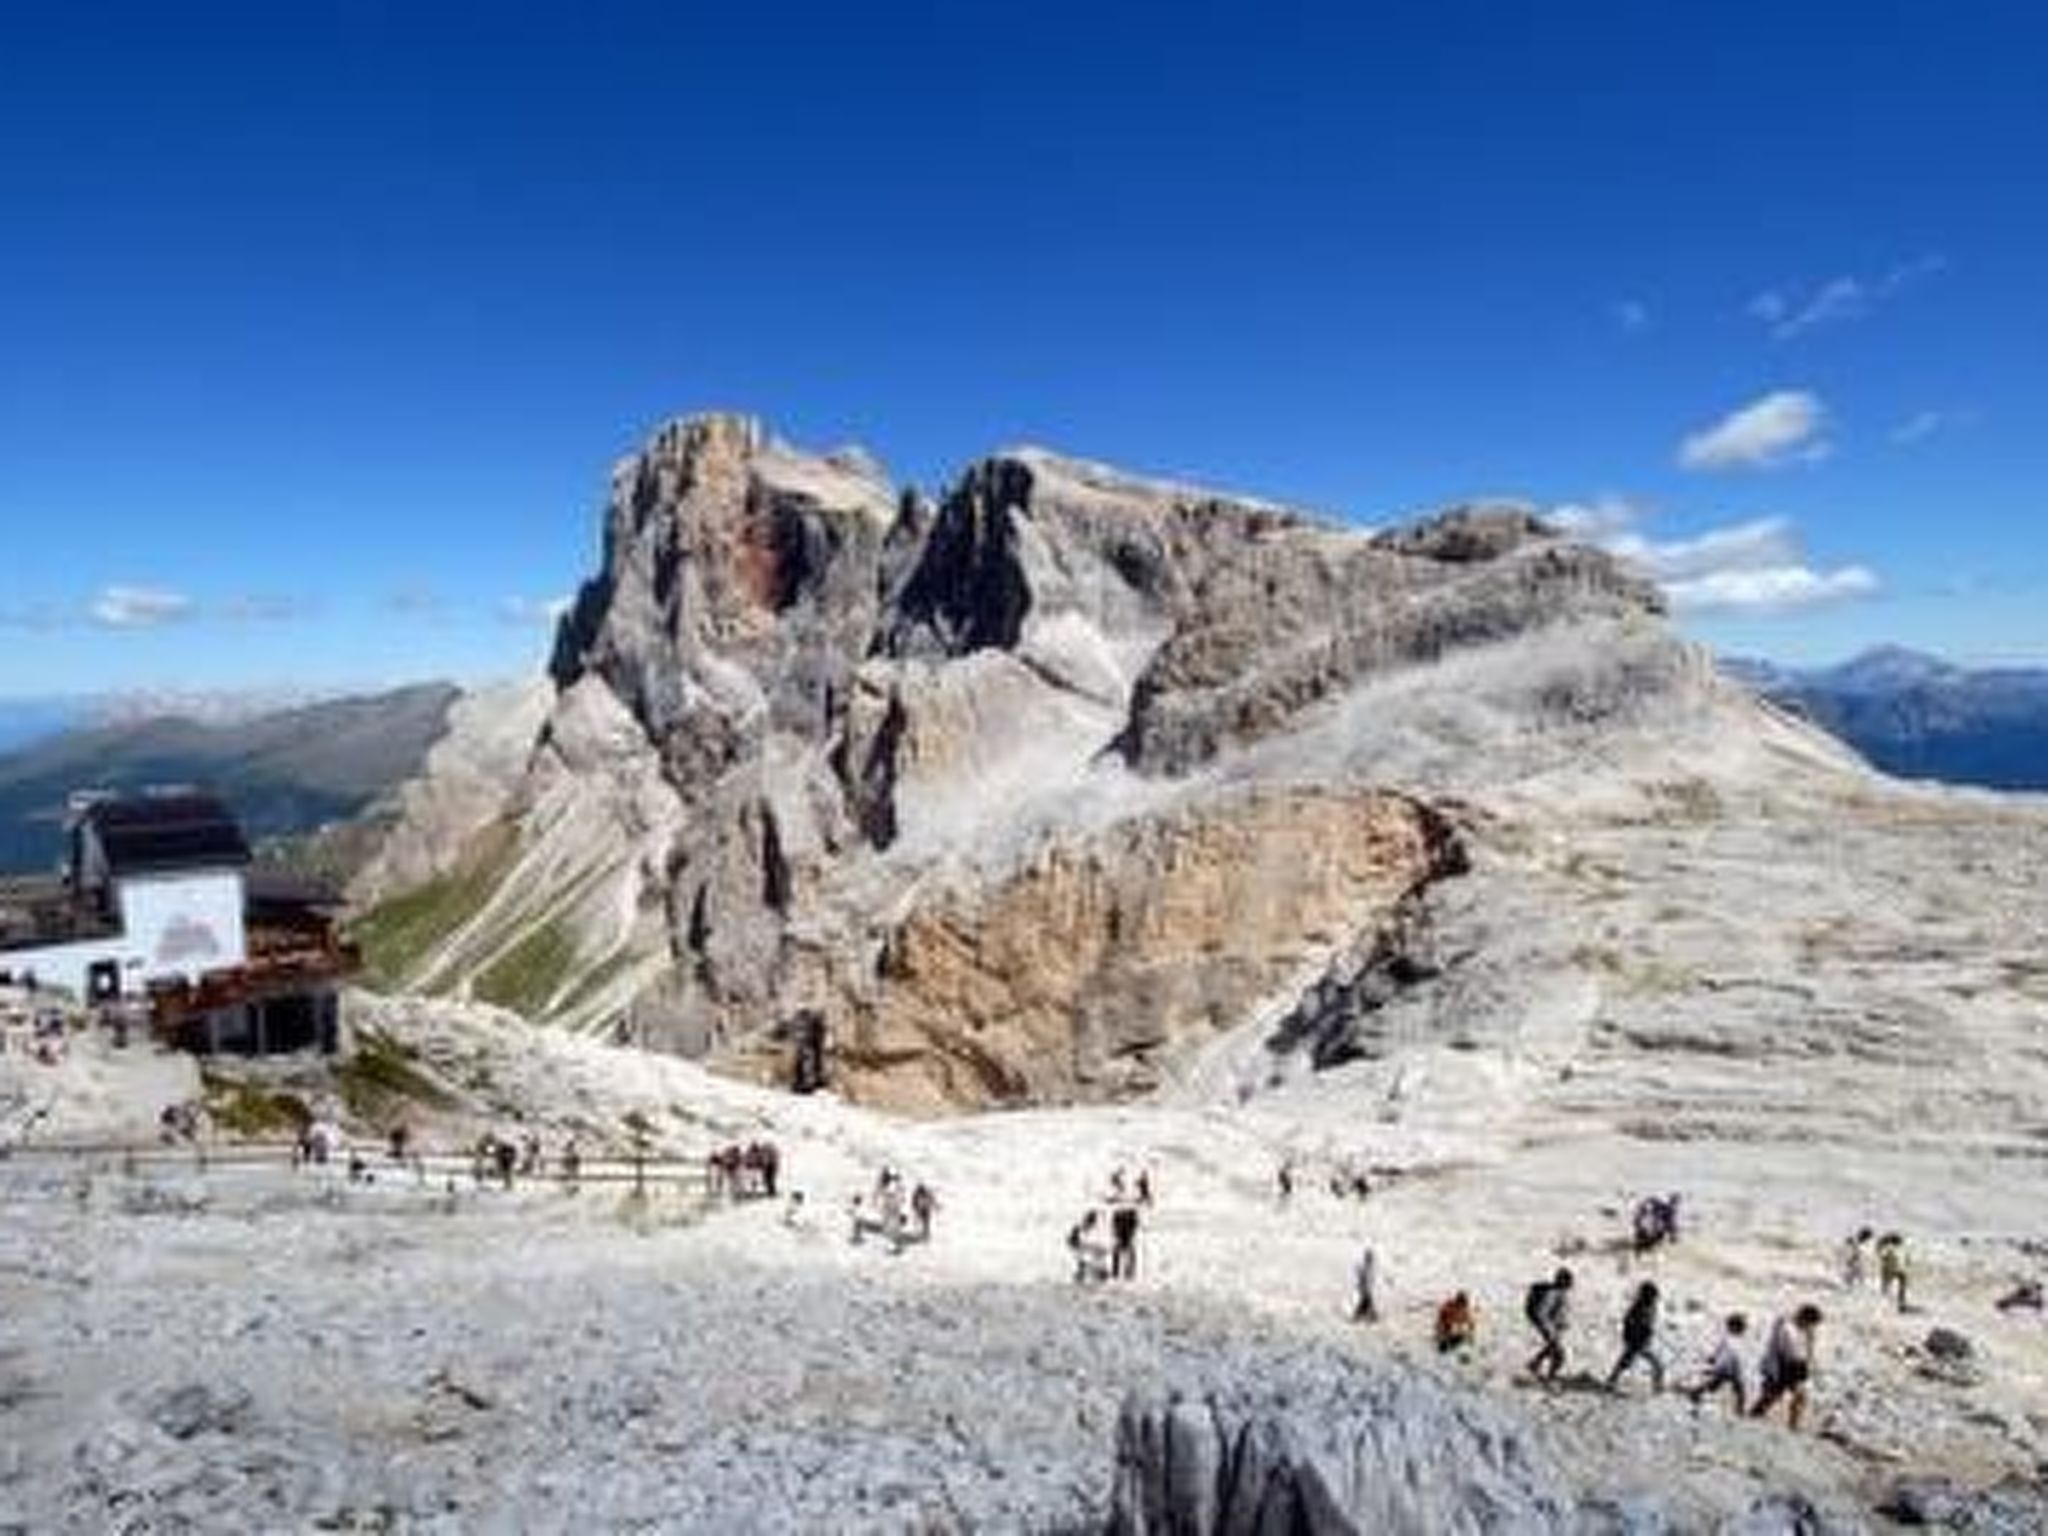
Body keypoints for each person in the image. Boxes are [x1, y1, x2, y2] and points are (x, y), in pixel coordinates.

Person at [1749, 1305, 1823, 1430]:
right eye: (1810, 1324)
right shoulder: (1787, 1328)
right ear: (1805, 1319)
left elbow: (1803, 1352)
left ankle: (1792, 1424)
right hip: (1783, 1366)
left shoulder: (1798, 1329)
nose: (1811, 1328)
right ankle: (1790, 1425)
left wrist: (1809, 1343)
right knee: (1775, 1396)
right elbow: (1788, 1351)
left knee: (1790, 1396)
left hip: (1790, 1366)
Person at [1606, 1281, 1665, 1392]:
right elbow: (1628, 1323)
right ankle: (1611, 1381)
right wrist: (1632, 1336)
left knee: (1656, 1364)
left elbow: (1647, 1324)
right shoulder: (1637, 1309)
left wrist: (1648, 1333)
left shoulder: (1650, 1308)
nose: (1654, 1300)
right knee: (1626, 1363)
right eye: (1653, 1297)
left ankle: (1658, 1387)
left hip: (1641, 1342)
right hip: (1635, 1342)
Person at [1683, 1314, 1749, 1413]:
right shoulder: (1733, 1340)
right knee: (1738, 1390)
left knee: (1715, 1385)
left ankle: (1696, 1392)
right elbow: (1734, 1356)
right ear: (1735, 1328)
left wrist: (1712, 1359)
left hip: (1724, 1367)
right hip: (1729, 1368)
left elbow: (1718, 1351)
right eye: (1742, 1328)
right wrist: (1713, 1360)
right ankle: (1740, 1410)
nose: (1744, 1330)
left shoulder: (1727, 1338)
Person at [1524, 1267, 1574, 1383]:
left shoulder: (1559, 1293)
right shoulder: (1554, 1293)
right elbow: (1542, 1313)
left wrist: (1562, 1323)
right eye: (1569, 1280)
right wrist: (1549, 1329)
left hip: (1553, 1328)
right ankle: (1550, 1377)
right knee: (1559, 1355)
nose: (1572, 1284)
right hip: (1549, 1328)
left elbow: (1559, 1311)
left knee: (1552, 1349)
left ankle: (1535, 1364)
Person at [1067, 1210, 1109, 1284]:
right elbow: (1072, 1242)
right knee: (1085, 1263)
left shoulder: (1094, 1232)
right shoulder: (1079, 1229)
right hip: (1086, 1254)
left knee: (1093, 1265)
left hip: (1090, 1255)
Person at [1877, 1233, 1909, 1312]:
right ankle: (1899, 1303)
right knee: (1899, 1282)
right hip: (1889, 1269)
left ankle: (1895, 1303)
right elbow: (1884, 1257)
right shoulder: (1888, 1248)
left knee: (1887, 1286)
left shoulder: (1885, 1247)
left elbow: (1881, 1256)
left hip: (1889, 1269)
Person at [1110, 1202, 1140, 1280]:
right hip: (1124, 1213)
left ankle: (1123, 1272)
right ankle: (1119, 1272)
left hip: (1126, 1213)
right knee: (1123, 1247)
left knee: (1125, 1247)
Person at [1351, 1244, 1380, 1323]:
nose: (1370, 1259)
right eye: (1369, 1257)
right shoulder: (1365, 1267)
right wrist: (1362, 1286)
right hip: (1365, 1288)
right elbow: (1362, 1277)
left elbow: (1370, 1278)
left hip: (1366, 1288)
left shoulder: (1368, 1267)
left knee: (1365, 1303)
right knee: (1366, 1302)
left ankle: (1369, 1316)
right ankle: (1371, 1317)